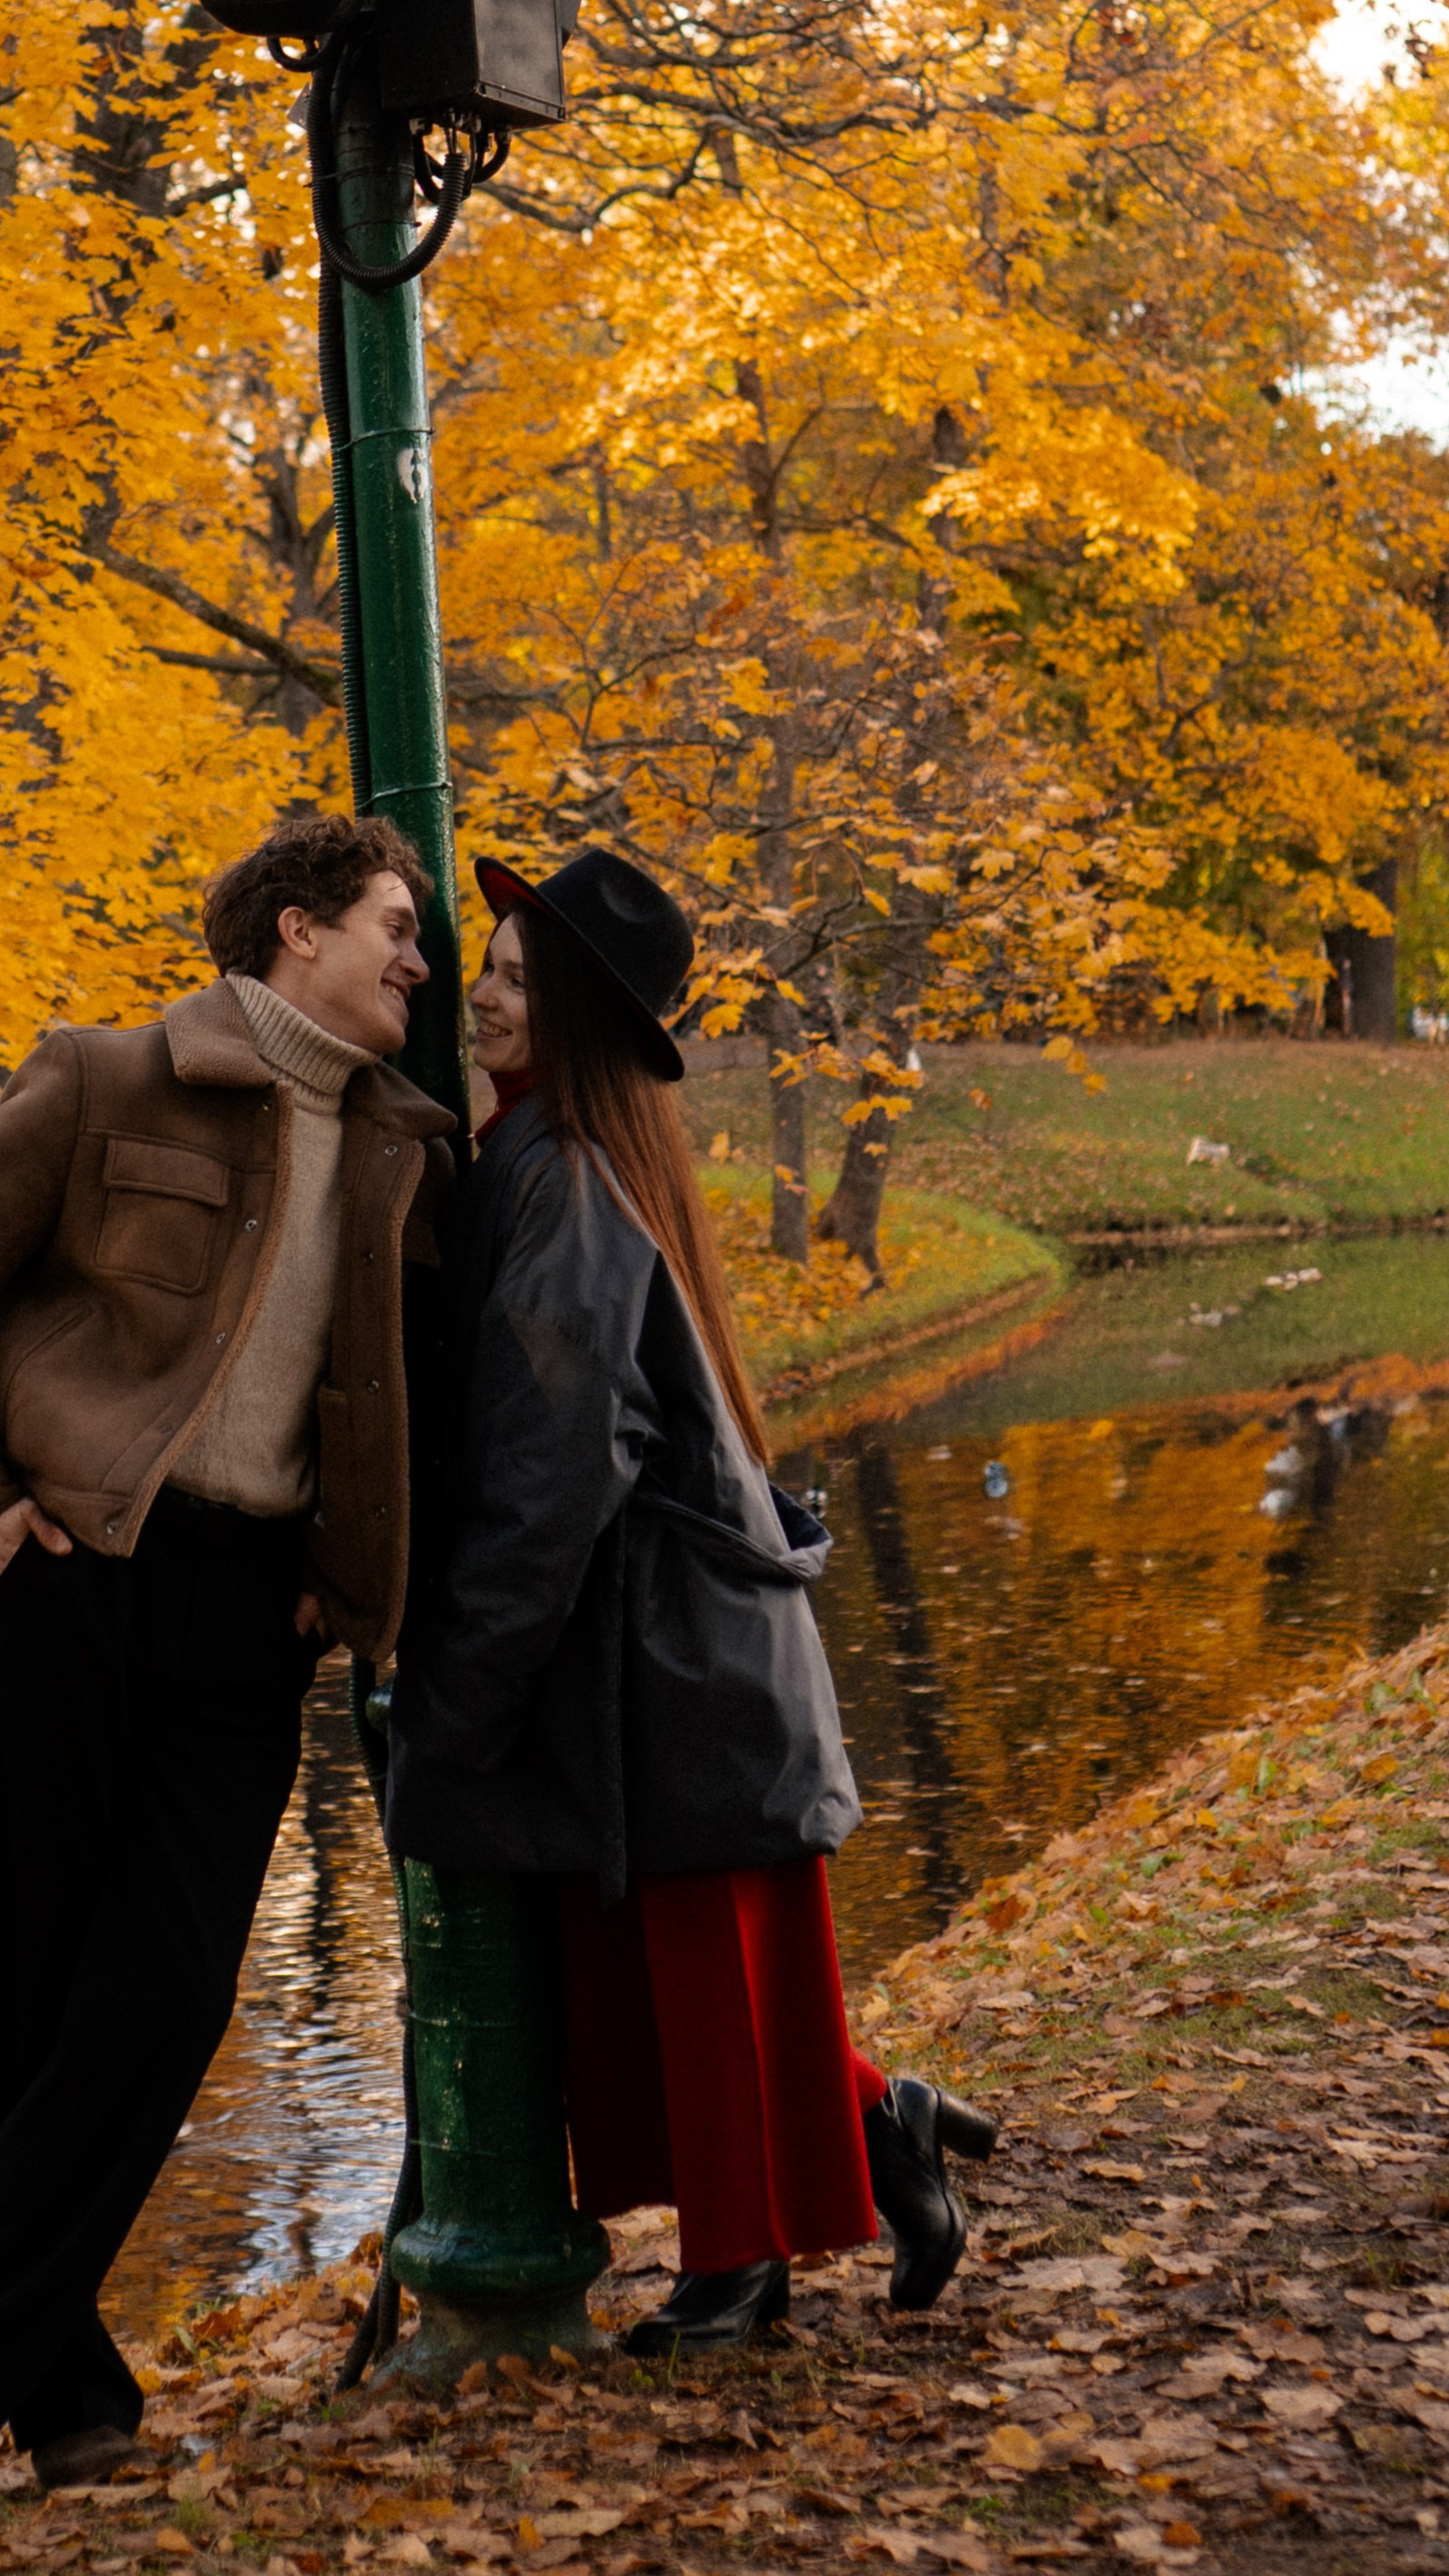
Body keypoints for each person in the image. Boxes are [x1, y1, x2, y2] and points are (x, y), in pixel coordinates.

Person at [0, 812, 454, 2507]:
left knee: (172, 1990)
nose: (420, 963)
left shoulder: (407, 1146)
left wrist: (349, 1573)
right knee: (46, 1995)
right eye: (397, 928)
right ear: (294, 935)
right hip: (72, 1575)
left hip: (251, 1612)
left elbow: (384, 1399)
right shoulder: (111, 1080)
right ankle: (71, 2403)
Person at [385, 848, 993, 2352]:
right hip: (650, 1662)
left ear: (579, 1018)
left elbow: (555, 1475)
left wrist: (447, 1712)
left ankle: (742, 2270)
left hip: (676, 1669)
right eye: (494, 969)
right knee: (666, 1992)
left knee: (706, 1985)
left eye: (518, 981)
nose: (483, 1000)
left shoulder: (570, 1181)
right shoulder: (548, 1156)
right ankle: (879, 2128)